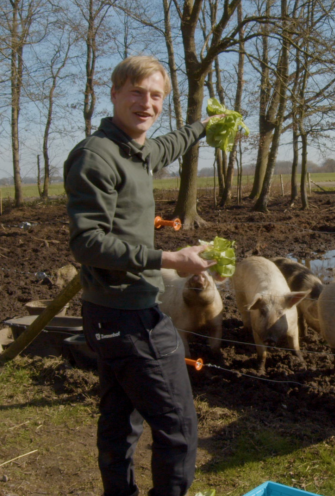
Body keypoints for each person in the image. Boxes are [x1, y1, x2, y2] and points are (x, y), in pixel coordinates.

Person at [64, 55, 220, 496]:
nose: (146, 103)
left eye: (155, 96)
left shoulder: (133, 150)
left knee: (120, 422)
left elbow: (166, 146)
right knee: (180, 427)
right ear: (114, 94)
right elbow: (86, 243)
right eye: (136, 92)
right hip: (130, 317)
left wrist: (204, 127)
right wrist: (169, 260)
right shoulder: (97, 157)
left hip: (108, 313)